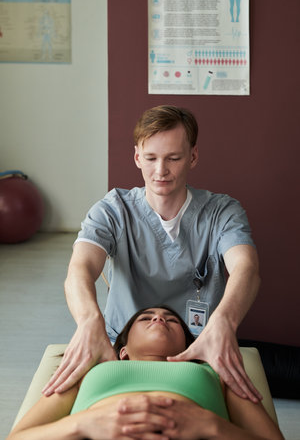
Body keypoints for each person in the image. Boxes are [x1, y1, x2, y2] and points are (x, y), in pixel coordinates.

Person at [42, 105, 261, 402]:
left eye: (173, 158)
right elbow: (79, 269)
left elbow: (246, 268)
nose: (161, 171)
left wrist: (225, 321)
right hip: (120, 347)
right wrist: (89, 320)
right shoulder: (113, 210)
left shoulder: (222, 212)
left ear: (193, 157)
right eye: (151, 158)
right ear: (136, 158)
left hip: (200, 346)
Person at [8, 307, 283, 440]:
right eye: (146, 317)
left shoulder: (216, 370)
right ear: (123, 350)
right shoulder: (88, 368)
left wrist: (210, 426)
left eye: (172, 319)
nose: (159, 318)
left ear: (190, 347)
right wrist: (83, 423)